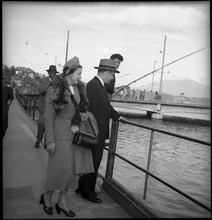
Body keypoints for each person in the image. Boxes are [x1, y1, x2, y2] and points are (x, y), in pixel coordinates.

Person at [40, 56, 94, 217]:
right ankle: (47, 196)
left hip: (74, 137)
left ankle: (62, 202)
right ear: (69, 73)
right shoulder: (54, 90)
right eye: (78, 73)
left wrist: (83, 116)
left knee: (70, 172)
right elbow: (48, 117)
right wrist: (50, 141)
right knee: (58, 170)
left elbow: (78, 111)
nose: (80, 77)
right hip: (59, 136)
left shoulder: (78, 90)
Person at [76, 58, 126, 203]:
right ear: (106, 72)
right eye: (112, 74)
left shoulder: (98, 85)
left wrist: (118, 117)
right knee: (94, 162)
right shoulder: (94, 85)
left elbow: (107, 107)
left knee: (90, 161)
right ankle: (88, 192)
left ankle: (82, 188)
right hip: (95, 132)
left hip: (96, 131)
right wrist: (95, 131)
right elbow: (89, 111)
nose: (112, 78)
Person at [35, 65, 58, 148]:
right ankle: (38, 140)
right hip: (43, 108)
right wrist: (49, 84)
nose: (53, 74)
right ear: (49, 73)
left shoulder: (57, 82)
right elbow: (41, 91)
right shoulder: (43, 80)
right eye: (52, 73)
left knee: (49, 126)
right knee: (41, 125)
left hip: (52, 108)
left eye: (54, 73)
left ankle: (46, 143)